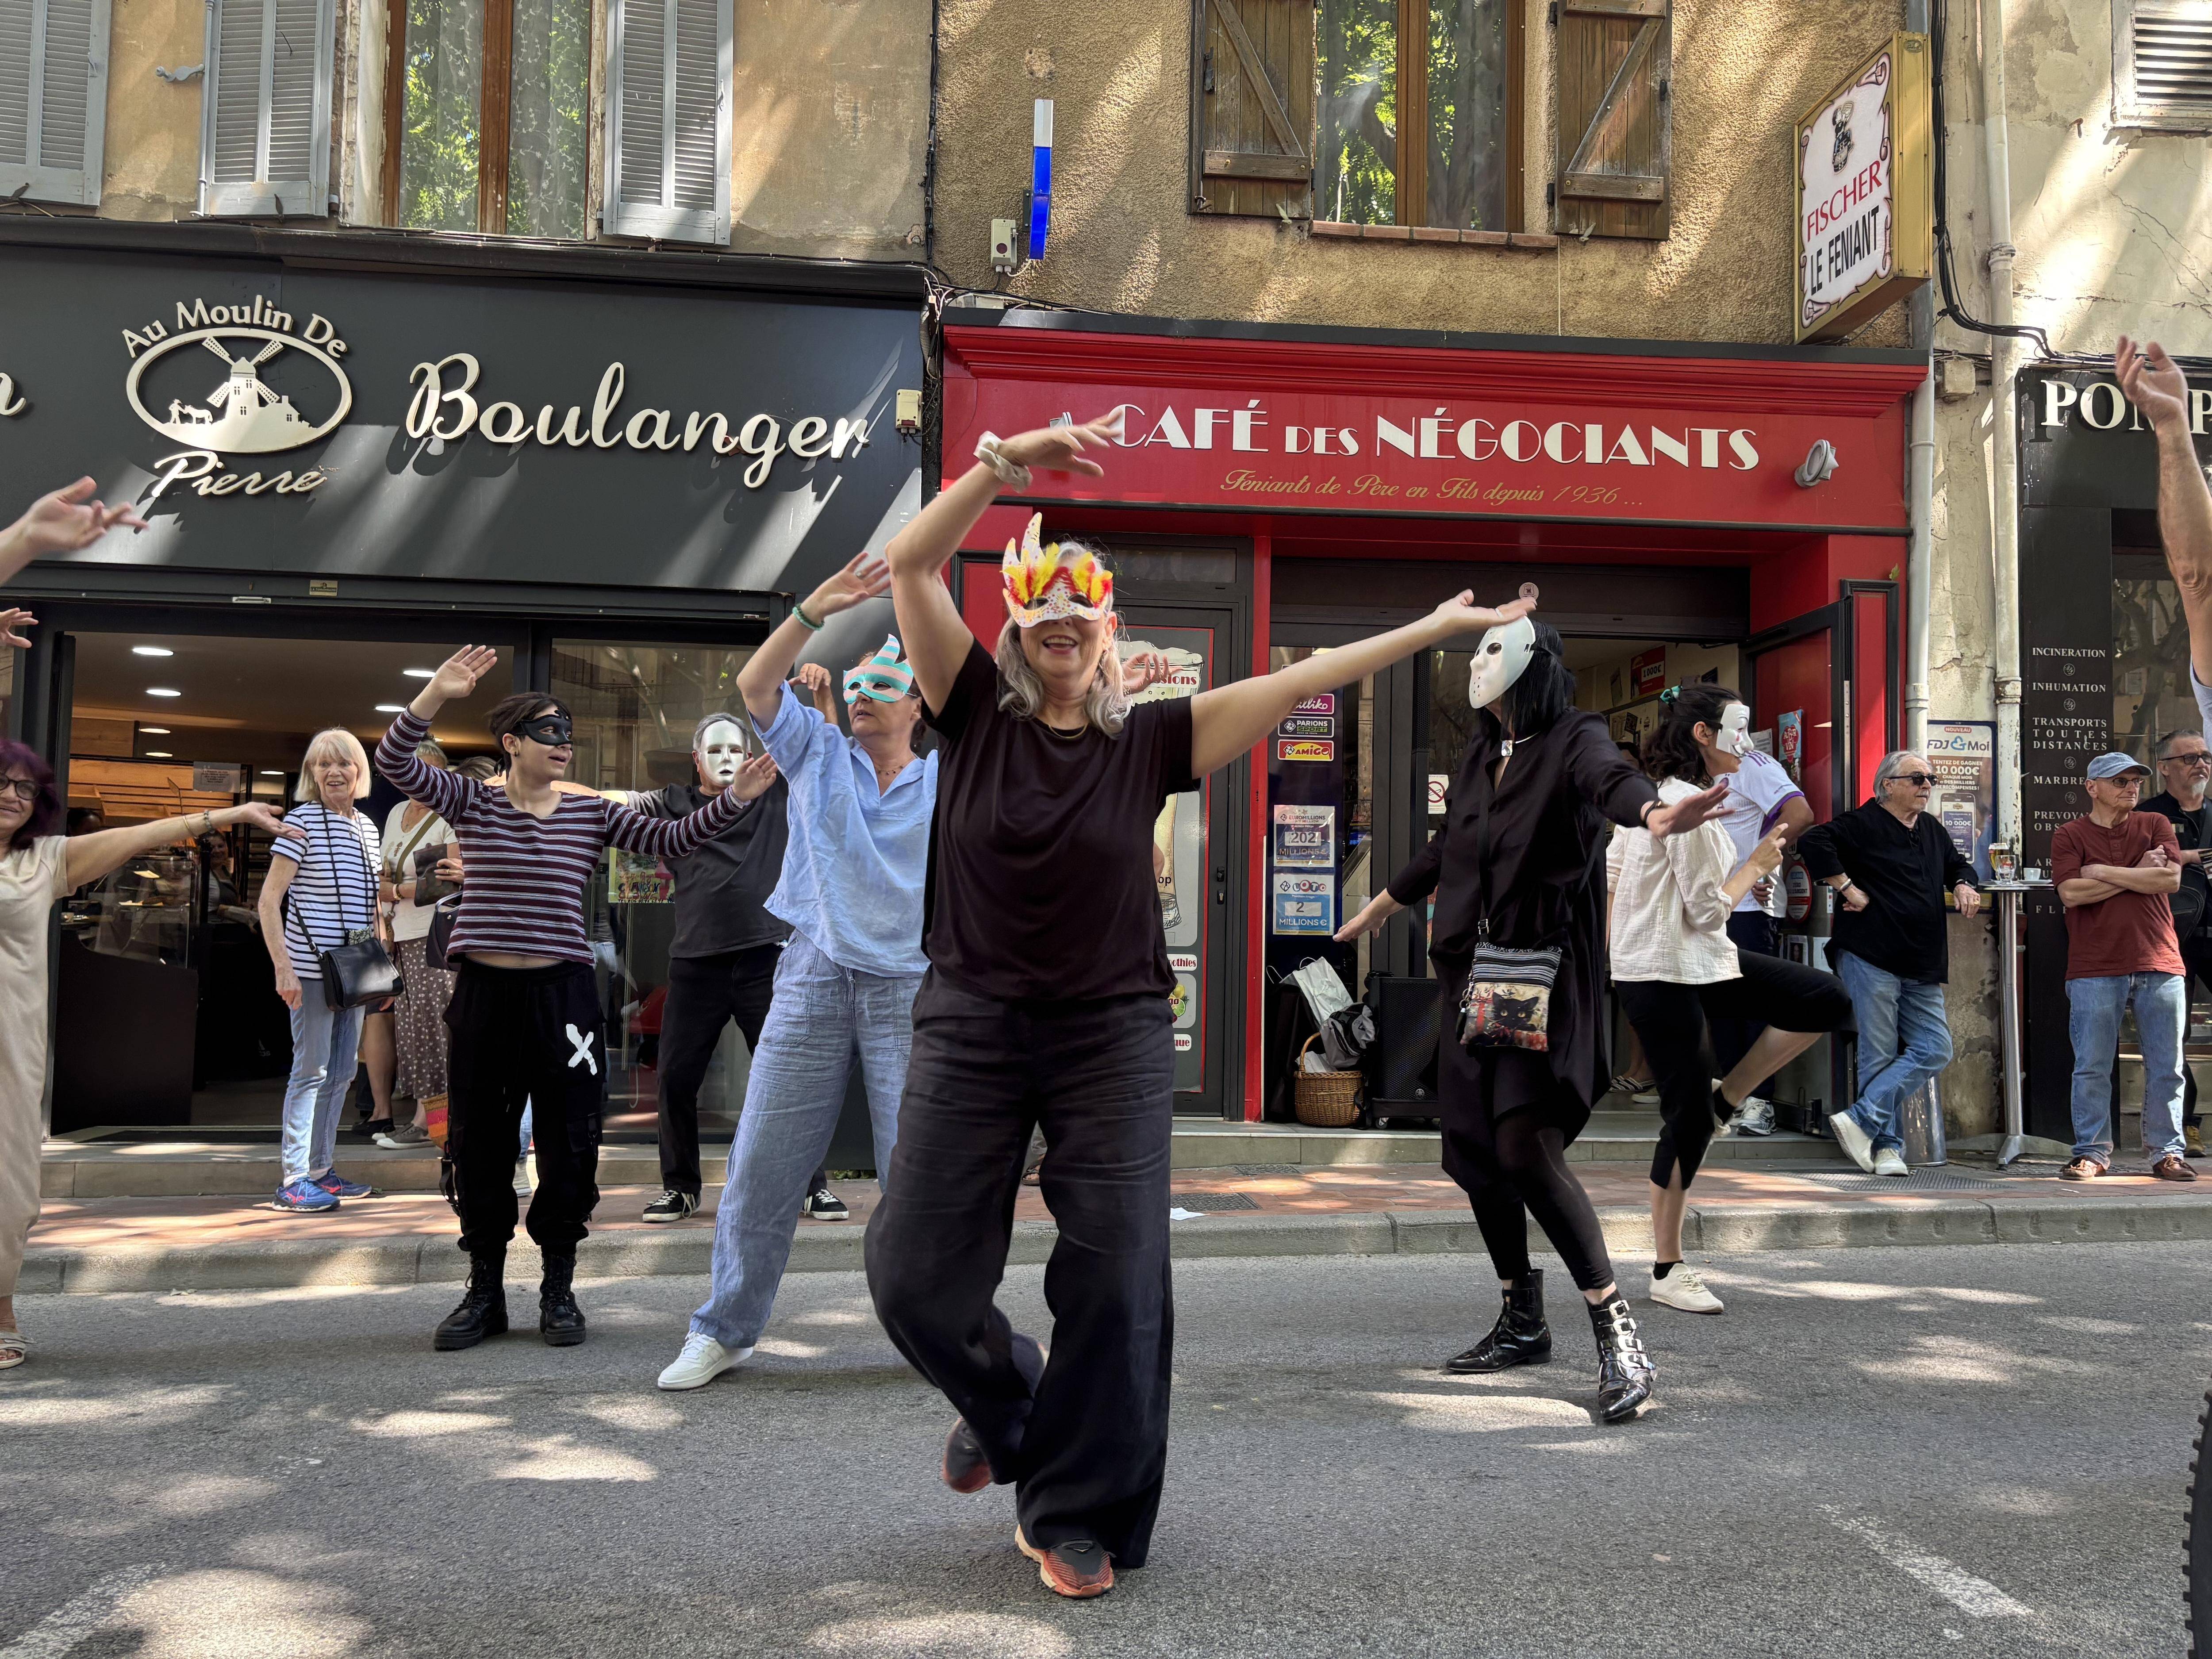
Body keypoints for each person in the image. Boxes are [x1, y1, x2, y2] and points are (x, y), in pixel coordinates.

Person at [864, 410, 1584, 1601]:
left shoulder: (1154, 738)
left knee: (1117, 1272)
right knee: (913, 1274)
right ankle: (1012, 1405)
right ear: (1014, 628)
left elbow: (1305, 675)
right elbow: (910, 565)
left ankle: (1075, 1507)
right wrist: (1003, 464)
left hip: (1113, 1033)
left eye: (1079, 611)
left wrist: (1437, 628)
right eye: (1038, 607)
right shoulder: (969, 717)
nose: (1058, 624)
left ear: (1109, 635)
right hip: (973, 1020)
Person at [1337, 614, 1727, 1429]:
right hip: (1476, 979)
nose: (1481, 666)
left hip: (1543, 977)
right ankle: (1523, 1318)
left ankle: (1619, 1335)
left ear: (1532, 668)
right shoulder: (1484, 754)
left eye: (1493, 653)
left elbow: (1610, 784)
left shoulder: (1575, 737)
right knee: (1474, 1154)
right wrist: (1380, 905)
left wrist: (1655, 815)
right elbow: (1448, 848)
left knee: (1524, 1143)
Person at [376, 657, 772, 1352]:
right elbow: (396, 759)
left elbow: (673, 838)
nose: (562, 741)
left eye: (566, 731)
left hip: (563, 997)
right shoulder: (474, 803)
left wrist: (735, 799)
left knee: (569, 1142)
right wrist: (438, 692)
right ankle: (485, 1290)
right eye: (546, 730)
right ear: (513, 743)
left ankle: (559, 1287)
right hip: (484, 997)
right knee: (478, 1142)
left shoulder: (590, 812)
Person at [656, 604, 937, 1390]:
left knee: (917, 1176)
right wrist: (815, 609)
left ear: (920, 705)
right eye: (857, 683)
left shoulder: (947, 780)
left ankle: (939, 1331)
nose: (864, 694)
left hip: (907, 987)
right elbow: (754, 683)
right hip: (812, 972)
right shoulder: (817, 751)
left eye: (887, 685)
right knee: (762, 1165)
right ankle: (725, 1329)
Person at [2, 740, 295, 1367]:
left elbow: (143, 835)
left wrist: (229, 816)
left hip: (9, 1042)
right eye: (2, 781)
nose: (11, 796)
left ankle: (0, 1304)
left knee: (8, 1182)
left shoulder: (45, 862)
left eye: (25, 788)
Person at [1608, 692, 1856, 1313]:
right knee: (1685, 1118)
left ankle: (1729, 1097)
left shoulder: (1651, 798)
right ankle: (1667, 1267)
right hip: (1664, 971)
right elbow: (1709, 907)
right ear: (1702, 732)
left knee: (1824, 998)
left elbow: (1614, 882)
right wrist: (1756, 863)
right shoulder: (1685, 809)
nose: (1749, 746)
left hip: (1698, 960)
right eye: (1739, 732)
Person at [613, 710, 844, 1225]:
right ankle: (680, 1188)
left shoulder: (777, 795)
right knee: (674, 1078)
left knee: (792, 1081)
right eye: (714, 751)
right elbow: (612, 802)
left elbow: (825, 758)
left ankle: (812, 1187)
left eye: (735, 750)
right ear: (696, 760)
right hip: (695, 965)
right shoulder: (673, 803)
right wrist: (537, 783)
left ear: (750, 758)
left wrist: (825, 701)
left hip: (766, 959)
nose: (726, 759)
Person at [1796, 753, 1981, 1173]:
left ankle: (1861, 1119)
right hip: (1871, 955)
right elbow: (1812, 842)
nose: (1926, 785)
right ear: (1887, 785)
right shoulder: (1861, 823)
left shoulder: (1931, 828)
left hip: (1922, 960)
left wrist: (1964, 883)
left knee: (1936, 1048)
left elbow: (1957, 864)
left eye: (1931, 778)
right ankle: (1887, 1149)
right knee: (1879, 1053)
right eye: (1916, 778)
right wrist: (1846, 887)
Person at [256, 729, 389, 1214]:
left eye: (345, 764)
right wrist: (283, 967)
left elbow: (370, 904)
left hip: (355, 971)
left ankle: (320, 1170)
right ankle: (293, 1179)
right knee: (310, 1071)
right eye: (323, 765)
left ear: (360, 772)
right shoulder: (301, 822)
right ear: (311, 774)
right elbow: (269, 901)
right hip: (312, 970)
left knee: (338, 1075)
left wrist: (381, 968)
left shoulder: (368, 829)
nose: (334, 773)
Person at [1672, 684, 1813, 1136]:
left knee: (1750, 1008)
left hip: (1746, 908)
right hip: (1703, 906)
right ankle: (1728, 1097)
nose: (1745, 736)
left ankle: (1761, 1102)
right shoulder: (1690, 776)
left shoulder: (1753, 764)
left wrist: (1760, 863)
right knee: (1717, 1009)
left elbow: (1799, 811)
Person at [2052, 752, 2192, 1181]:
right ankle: (2091, 1154)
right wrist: (2135, 872)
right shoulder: (2068, 834)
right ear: (2091, 788)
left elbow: (2168, 880)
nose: (2130, 787)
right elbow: (2071, 894)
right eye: (2118, 781)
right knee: (2091, 1065)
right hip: (2094, 965)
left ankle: (2165, 1153)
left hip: (2159, 959)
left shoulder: (2154, 824)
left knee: (2166, 1065)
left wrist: (2104, 872)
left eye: (2134, 780)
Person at [371, 741, 459, 1149]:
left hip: (435, 938)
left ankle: (436, 1125)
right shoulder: (394, 813)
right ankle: (428, 1120)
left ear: (442, 774)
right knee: (411, 1032)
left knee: (435, 1030)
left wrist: (395, 890)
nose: (418, 779)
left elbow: (447, 880)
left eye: (428, 771)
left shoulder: (449, 815)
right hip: (401, 935)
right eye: (411, 770)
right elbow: (382, 871)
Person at [2140, 730, 2212, 1156]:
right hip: (2168, 940)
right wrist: (2195, 856)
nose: (2200, 764)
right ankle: (2185, 1125)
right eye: (2189, 758)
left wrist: (2184, 856)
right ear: (2164, 767)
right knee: (2173, 1036)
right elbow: (2136, 865)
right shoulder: (2148, 816)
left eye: (2205, 756)